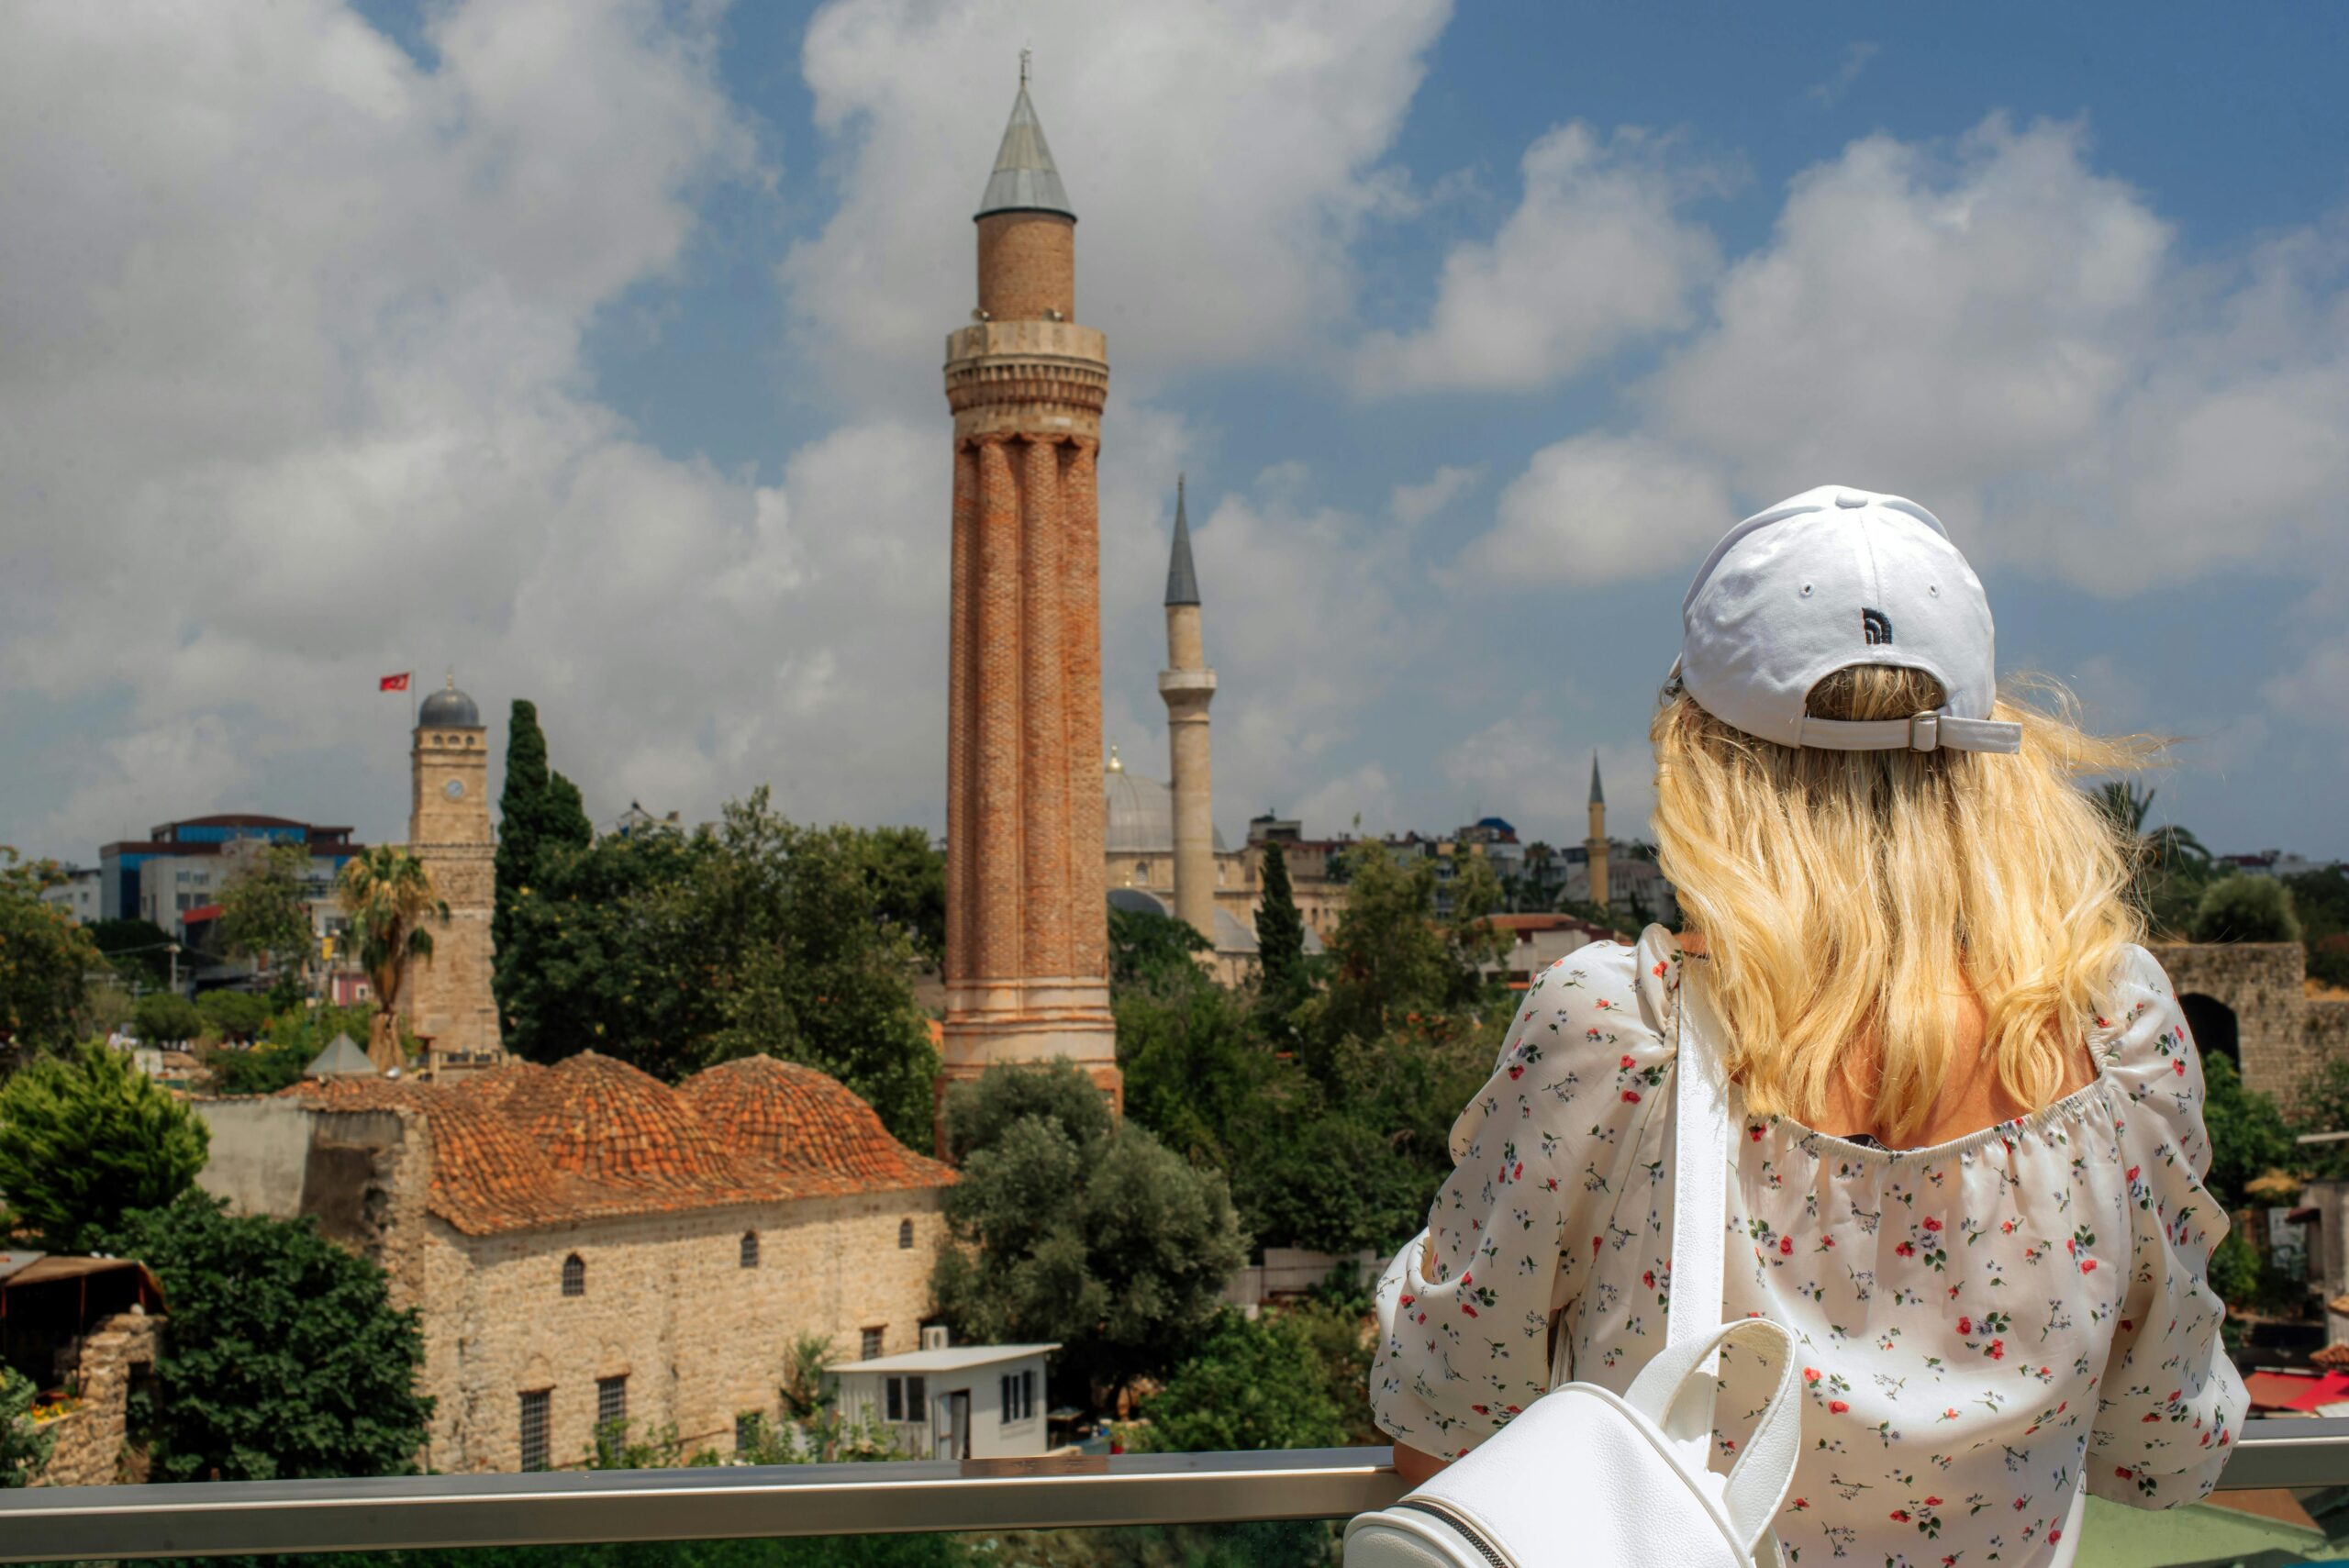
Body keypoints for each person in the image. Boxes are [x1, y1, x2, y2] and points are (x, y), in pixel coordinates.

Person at [1370, 486, 2245, 1566]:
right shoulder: (2114, 1028)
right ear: (1988, 758)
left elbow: (1441, 1424)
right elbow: (2164, 1449)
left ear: (1701, 753)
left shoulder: (1621, 1027)